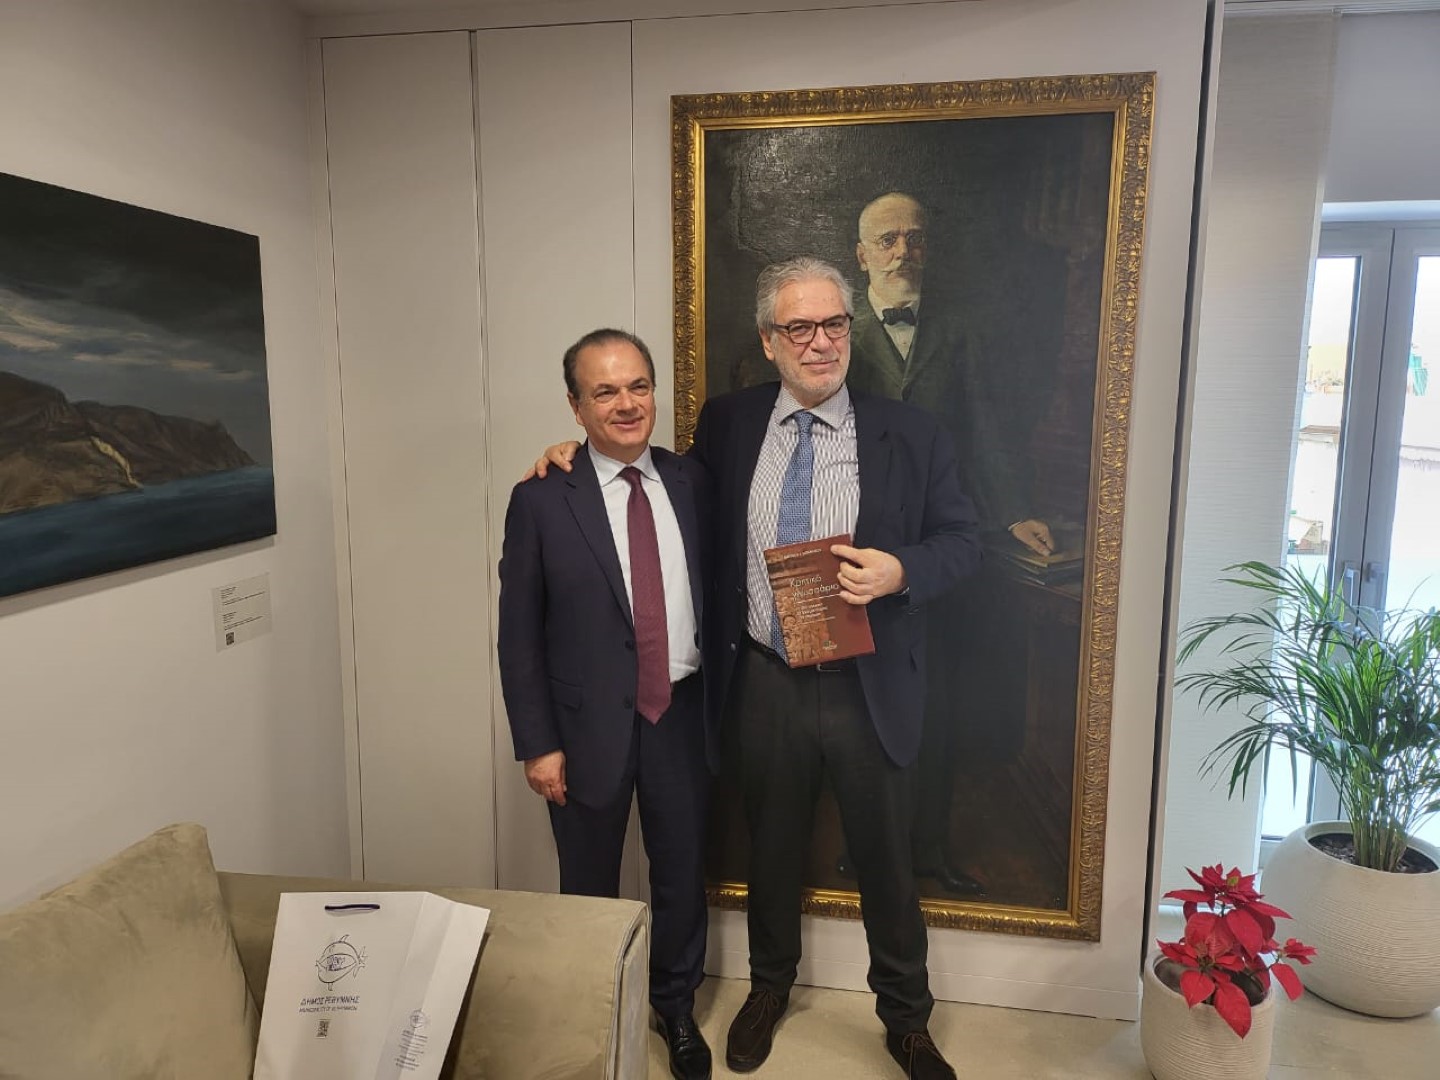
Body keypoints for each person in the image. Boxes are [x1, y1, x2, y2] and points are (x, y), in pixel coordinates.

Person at [532, 260, 981, 1080]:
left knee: (886, 858)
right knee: (771, 850)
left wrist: (902, 571)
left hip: (868, 683)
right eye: (799, 328)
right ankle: (769, 990)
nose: (821, 342)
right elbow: (656, 485)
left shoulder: (910, 433)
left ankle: (906, 1021)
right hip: (766, 680)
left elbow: (964, 542)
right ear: (770, 341)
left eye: (834, 324)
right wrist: (578, 454)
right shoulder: (730, 423)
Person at [497, 328, 716, 1080]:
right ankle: (592, 1007)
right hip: (582, 727)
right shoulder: (540, 499)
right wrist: (538, 743)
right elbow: (519, 635)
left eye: (638, 386)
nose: (627, 404)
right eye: (605, 391)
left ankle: (675, 1006)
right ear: (576, 407)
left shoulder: (693, 483)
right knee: (588, 880)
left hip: (681, 716)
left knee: (681, 873)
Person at [847, 192, 1059, 895]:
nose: (903, 251)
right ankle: (864, 854)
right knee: (860, 714)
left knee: (935, 708)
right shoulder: (836, 334)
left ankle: (930, 853)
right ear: (862, 255)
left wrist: (1013, 511)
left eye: (914, 237)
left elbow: (987, 427)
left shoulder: (959, 330)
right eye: (888, 240)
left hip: (938, 553)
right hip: (858, 551)